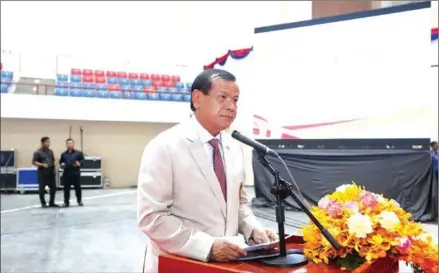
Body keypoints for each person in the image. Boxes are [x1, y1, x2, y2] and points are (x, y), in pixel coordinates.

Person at [137, 69, 278, 273]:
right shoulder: (164, 146)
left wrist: (253, 228)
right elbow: (152, 217)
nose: (231, 107)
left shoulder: (234, 147)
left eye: (236, 100)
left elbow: (239, 205)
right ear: (197, 98)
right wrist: (207, 247)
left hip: (229, 264)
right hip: (180, 263)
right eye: (222, 97)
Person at [32, 136, 59, 208]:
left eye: (49, 142)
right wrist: (42, 164)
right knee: (42, 189)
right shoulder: (37, 152)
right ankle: (43, 203)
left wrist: (54, 168)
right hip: (42, 172)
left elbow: (53, 160)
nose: (48, 143)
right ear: (42, 143)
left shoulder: (50, 151)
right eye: (47, 142)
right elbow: (34, 162)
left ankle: (51, 202)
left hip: (50, 172)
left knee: (53, 188)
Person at [59, 138, 85, 207]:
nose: (69, 144)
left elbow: (83, 161)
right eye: (68, 143)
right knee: (66, 188)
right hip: (67, 173)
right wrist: (62, 164)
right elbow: (61, 162)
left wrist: (79, 163)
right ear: (66, 145)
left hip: (75, 173)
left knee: (78, 188)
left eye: (71, 143)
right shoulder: (63, 154)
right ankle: (66, 202)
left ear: (73, 144)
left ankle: (79, 201)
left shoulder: (79, 153)